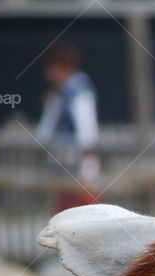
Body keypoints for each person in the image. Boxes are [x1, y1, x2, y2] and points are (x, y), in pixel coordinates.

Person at [36, 42, 100, 212]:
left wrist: (86, 162)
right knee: (65, 209)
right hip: (63, 160)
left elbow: (86, 129)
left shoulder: (78, 92)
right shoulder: (60, 93)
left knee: (85, 209)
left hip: (77, 160)